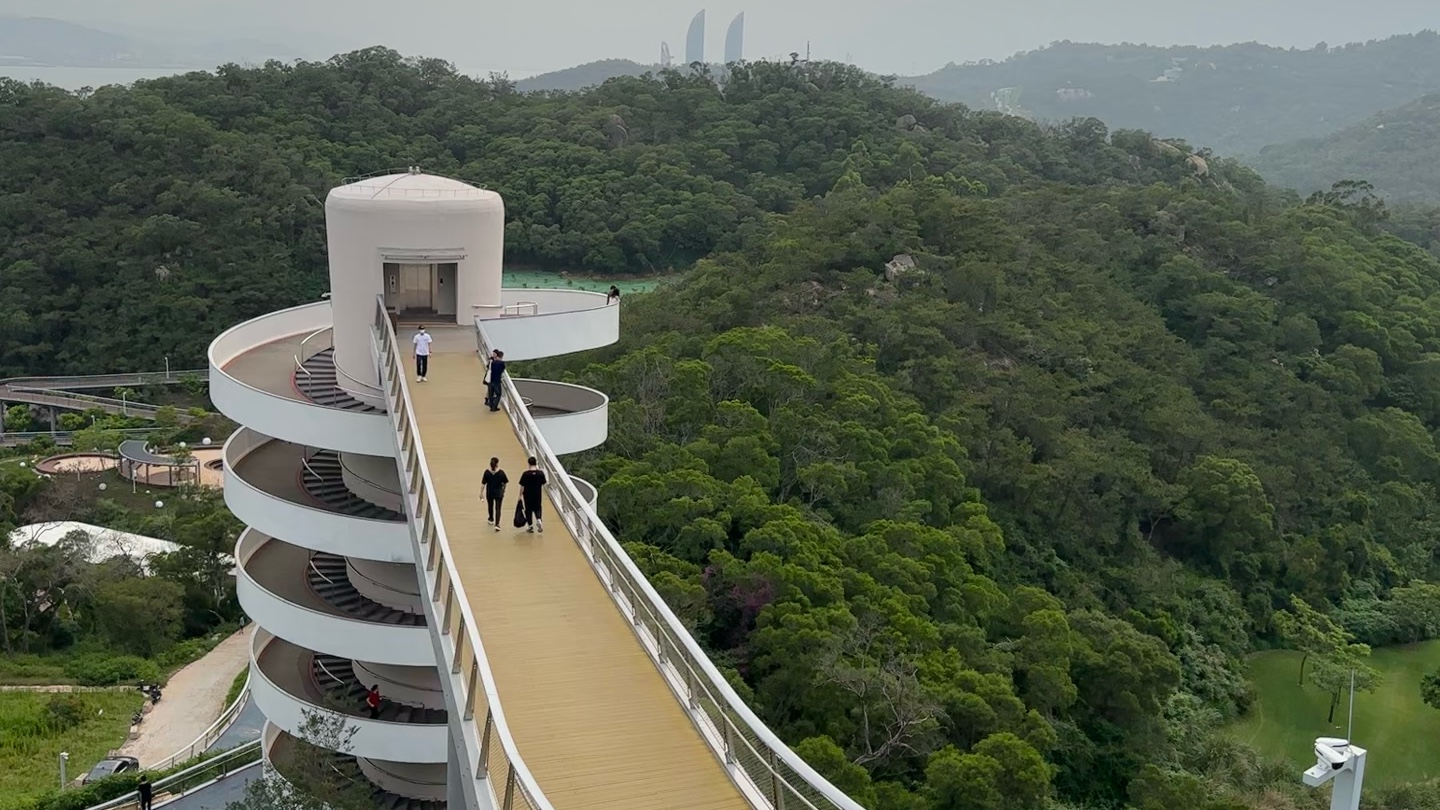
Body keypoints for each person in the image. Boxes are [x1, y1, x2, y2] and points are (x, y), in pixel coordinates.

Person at [519, 456, 548, 533]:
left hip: (527, 495)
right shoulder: (540, 473)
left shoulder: (525, 474)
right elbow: (544, 483)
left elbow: (522, 486)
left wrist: (520, 495)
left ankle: (530, 526)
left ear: (529, 463)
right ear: (536, 463)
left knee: (528, 510)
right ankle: (538, 519)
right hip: (537, 494)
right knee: (538, 508)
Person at [481, 457, 508, 532]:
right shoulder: (501, 473)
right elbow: (505, 482)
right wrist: (503, 490)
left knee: (490, 506)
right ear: (497, 464)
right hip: (499, 493)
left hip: (490, 492)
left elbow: (483, 483)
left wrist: (481, 493)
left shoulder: (487, 472)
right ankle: (497, 524)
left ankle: (491, 518)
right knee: (498, 508)